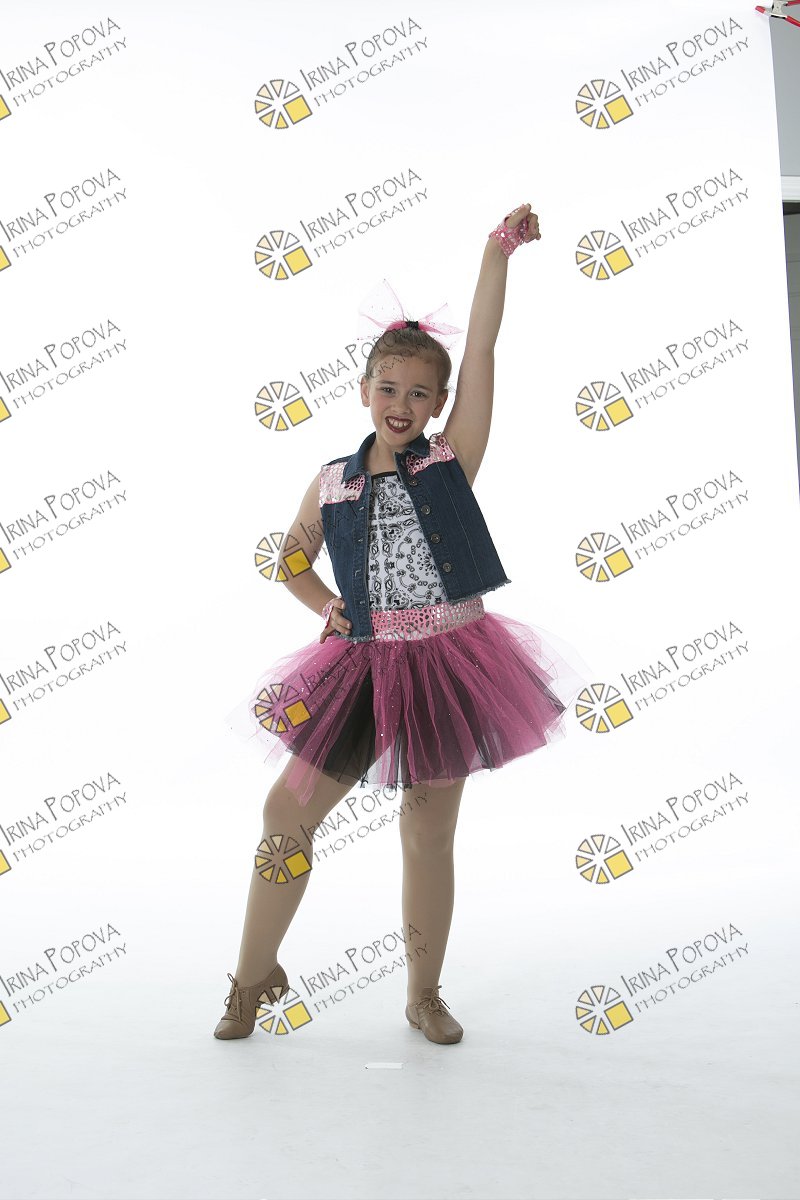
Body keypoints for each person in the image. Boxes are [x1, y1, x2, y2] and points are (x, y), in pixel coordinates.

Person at [216, 203, 588, 1046]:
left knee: (426, 831)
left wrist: (498, 252)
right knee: (286, 814)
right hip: (363, 665)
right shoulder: (332, 481)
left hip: (450, 662)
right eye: (388, 388)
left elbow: (482, 347)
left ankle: (423, 993)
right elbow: (289, 560)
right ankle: (251, 975)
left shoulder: (451, 461)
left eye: (421, 393)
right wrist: (327, 606)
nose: (402, 403)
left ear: (439, 403)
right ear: (363, 391)